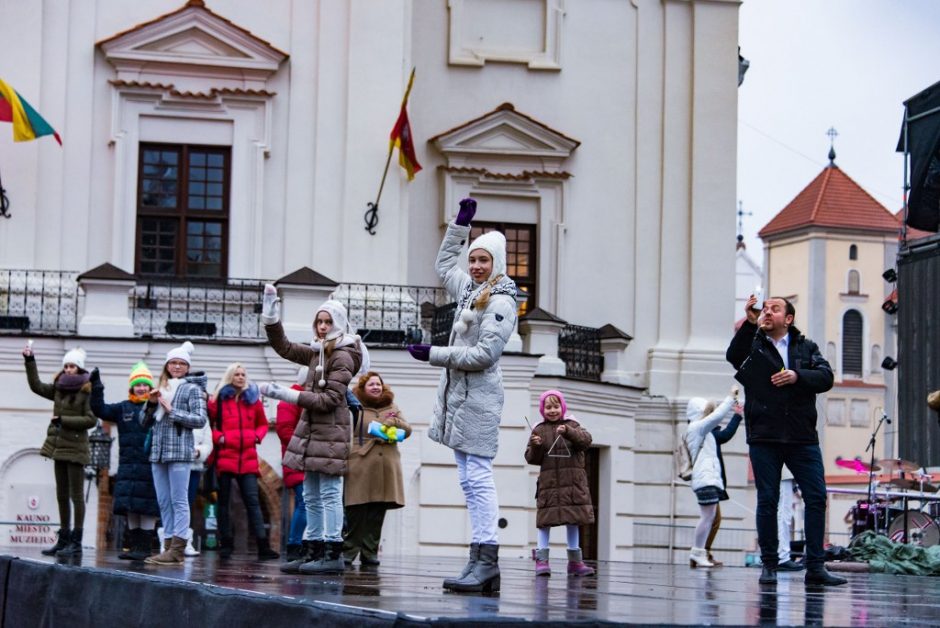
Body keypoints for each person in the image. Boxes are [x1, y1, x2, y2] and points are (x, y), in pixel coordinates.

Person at [406, 197, 517, 594]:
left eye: (483, 261)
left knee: (479, 478)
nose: (475, 266)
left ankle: (487, 561)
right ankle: (477, 560)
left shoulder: (501, 301)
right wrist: (459, 227)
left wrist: (433, 353)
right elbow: (442, 266)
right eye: (473, 260)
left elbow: (485, 355)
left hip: (480, 398)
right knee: (469, 481)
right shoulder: (471, 291)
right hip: (460, 399)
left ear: (497, 263)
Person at [726, 295, 846, 586]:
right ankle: (769, 565)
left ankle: (815, 566)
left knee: (816, 497)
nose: (767, 311)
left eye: (774, 308)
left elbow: (826, 377)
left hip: (801, 435)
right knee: (768, 499)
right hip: (764, 434)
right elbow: (733, 356)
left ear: (788, 318)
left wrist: (797, 376)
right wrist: (749, 324)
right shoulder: (755, 342)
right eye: (764, 308)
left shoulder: (806, 347)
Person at [259, 291, 363, 575]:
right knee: (311, 493)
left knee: (329, 493)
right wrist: (271, 316)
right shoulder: (319, 351)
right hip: (314, 430)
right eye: (319, 321)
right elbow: (285, 347)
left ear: (338, 323)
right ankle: (312, 550)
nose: (322, 327)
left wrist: (286, 395)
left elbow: (330, 399)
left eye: (328, 322)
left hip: (331, 431)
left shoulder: (342, 355)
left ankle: (332, 552)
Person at [23, 344, 97, 557]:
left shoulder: (87, 390)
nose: (68, 369)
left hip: (76, 448)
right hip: (59, 448)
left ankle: (77, 540)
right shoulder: (59, 387)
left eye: (72, 366)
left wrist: (64, 420)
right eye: (66, 365)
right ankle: (63, 538)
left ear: (80, 368)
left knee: (76, 496)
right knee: (61, 494)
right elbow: (36, 386)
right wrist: (30, 360)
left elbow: (91, 420)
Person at [141, 341, 208, 566]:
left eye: (181, 363)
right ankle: (167, 547)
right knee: (163, 500)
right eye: (173, 362)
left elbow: (200, 419)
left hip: (180, 450)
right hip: (158, 452)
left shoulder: (192, 389)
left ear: (188, 367)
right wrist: (151, 404)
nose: (177, 366)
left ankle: (178, 549)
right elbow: (144, 422)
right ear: (167, 365)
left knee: (180, 500)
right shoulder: (161, 386)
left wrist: (173, 411)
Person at [89, 361, 161, 561]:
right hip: (128, 465)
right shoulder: (123, 408)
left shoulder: (156, 407)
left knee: (146, 507)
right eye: (138, 385)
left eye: (145, 385)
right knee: (131, 506)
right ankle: (135, 547)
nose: (141, 388)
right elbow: (100, 409)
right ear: (132, 387)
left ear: (150, 387)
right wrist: (96, 386)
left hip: (150, 465)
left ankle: (145, 548)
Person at [207, 363, 279, 560]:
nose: (241, 377)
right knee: (224, 503)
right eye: (237, 374)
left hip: (247, 457)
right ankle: (226, 545)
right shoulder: (218, 400)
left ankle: (263, 546)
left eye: (243, 374)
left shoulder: (253, 401)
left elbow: (263, 424)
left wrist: (256, 437)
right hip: (225, 457)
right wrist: (219, 437)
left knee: (253, 502)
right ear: (230, 376)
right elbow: (208, 424)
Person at [525, 389, 595, 578]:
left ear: (562, 407)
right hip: (549, 486)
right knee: (544, 523)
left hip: (572, 484)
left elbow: (586, 441)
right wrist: (536, 445)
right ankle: (541, 561)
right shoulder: (538, 430)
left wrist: (569, 432)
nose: (552, 410)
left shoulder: (573, 424)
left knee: (573, 521)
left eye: (556, 406)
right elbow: (532, 458)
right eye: (548, 407)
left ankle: (575, 562)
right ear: (542, 409)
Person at [344, 371, 412, 566]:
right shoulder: (355, 406)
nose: (376, 387)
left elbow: (407, 430)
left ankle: (369, 552)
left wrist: (392, 421)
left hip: (386, 464)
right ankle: (349, 551)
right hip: (361, 462)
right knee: (356, 509)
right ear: (363, 388)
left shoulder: (392, 407)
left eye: (378, 384)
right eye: (371, 384)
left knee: (377, 510)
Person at [683, 389, 739, 568]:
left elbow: (719, 428)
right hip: (705, 479)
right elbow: (717, 416)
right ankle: (698, 552)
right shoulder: (697, 428)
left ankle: (699, 553)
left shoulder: (700, 431)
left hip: (706, 479)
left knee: (709, 517)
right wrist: (730, 398)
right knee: (707, 518)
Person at [275, 367, 309, 562]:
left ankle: (300, 543)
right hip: (297, 458)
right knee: (304, 502)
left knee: (305, 503)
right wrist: (307, 447)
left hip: (303, 457)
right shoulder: (292, 398)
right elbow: (285, 430)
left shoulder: (305, 397)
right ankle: (294, 544)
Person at [703, 404, 743, 566]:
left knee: (711, 518)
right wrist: (737, 415)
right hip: (708, 481)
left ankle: (704, 551)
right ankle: (702, 552)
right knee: (713, 518)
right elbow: (726, 435)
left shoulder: (706, 431)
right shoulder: (708, 433)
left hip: (709, 481)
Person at [184, 416, 214, 556]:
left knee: (187, 503)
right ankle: (167, 540)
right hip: (173, 464)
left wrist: (197, 452)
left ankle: (184, 541)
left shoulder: (203, 419)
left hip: (193, 466)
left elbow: (208, 444)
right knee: (170, 502)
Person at [776, 469, 804, 571]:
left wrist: (795, 487)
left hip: (785, 475)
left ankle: (780, 556)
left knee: (782, 515)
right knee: (784, 515)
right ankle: (782, 557)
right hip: (784, 475)